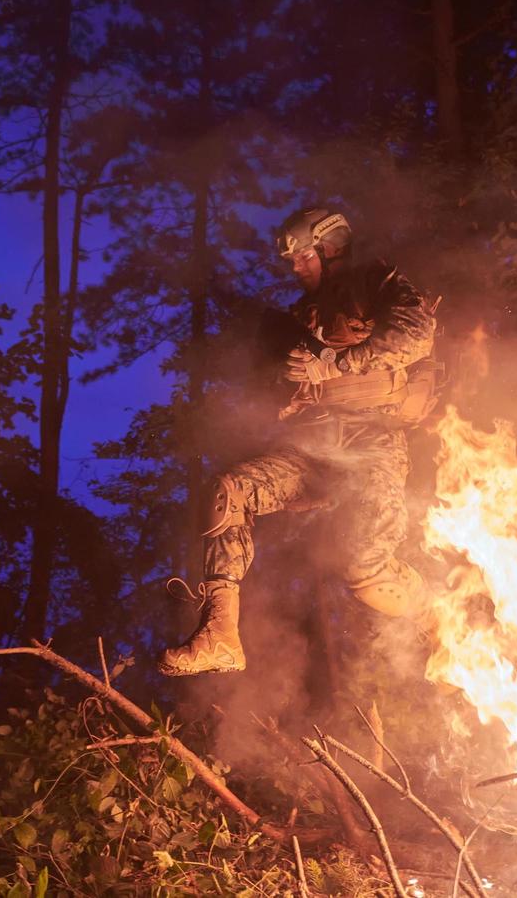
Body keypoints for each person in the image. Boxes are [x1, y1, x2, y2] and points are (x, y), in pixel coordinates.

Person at [157, 206, 441, 677]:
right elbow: (264, 396)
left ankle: (437, 615)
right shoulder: (291, 319)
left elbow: (416, 335)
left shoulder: (375, 282)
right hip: (309, 450)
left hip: (372, 441)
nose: (295, 267)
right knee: (230, 491)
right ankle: (220, 634)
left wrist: (338, 363)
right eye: (292, 260)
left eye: (304, 256)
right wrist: (283, 387)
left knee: (364, 568)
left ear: (332, 247)